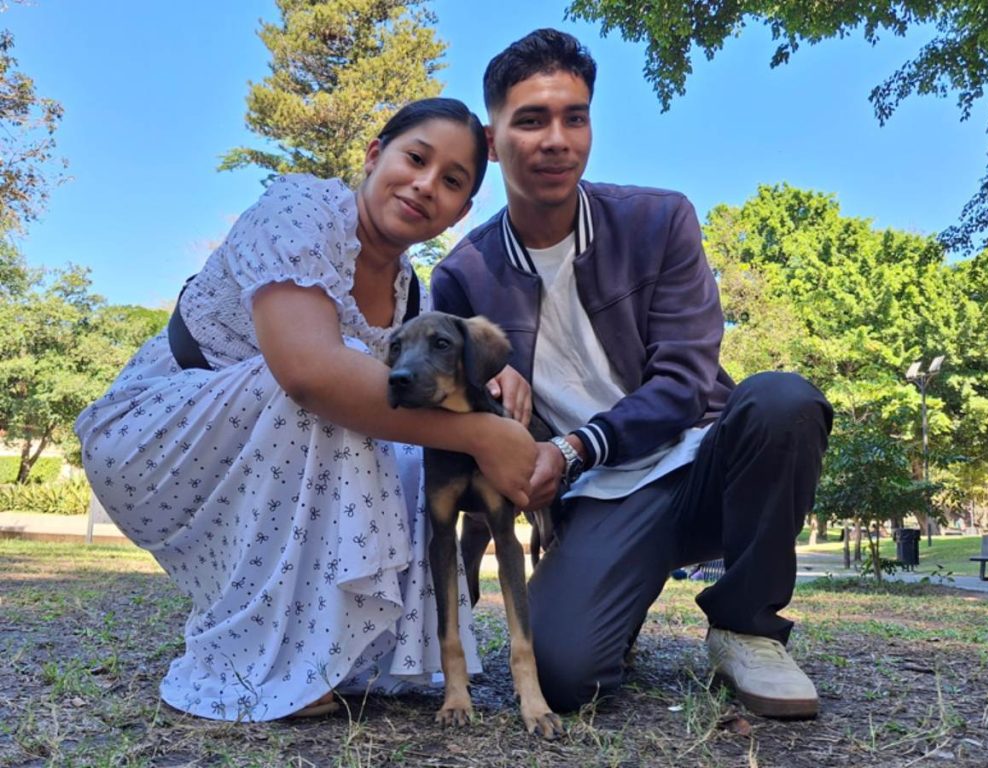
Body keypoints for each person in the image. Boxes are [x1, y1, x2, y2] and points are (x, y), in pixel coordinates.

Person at [74, 98, 538, 722]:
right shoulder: (300, 210)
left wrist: (480, 378)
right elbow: (308, 373)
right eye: (416, 158)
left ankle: (349, 652)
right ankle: (267, 661)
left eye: (452, 181)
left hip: (258, 444)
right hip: (155, 429)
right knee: (341, 382)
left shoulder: (410, 292)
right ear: (375, 156)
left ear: (462, 208)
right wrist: (483, 433)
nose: (427, 185)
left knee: (409, 447)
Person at [431, 30, 833, 719]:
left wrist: (575, 446)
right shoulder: (462, 276)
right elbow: (463, 411)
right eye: (531, 120)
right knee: (565, 676)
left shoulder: (659, 219)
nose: (557, 139)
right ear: (494, 142)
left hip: (704, 456)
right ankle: (617, 597)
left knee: (782, 401)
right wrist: (499, 400)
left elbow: (683, 381)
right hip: (600, 500)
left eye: (574, 117)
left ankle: (746, 627)